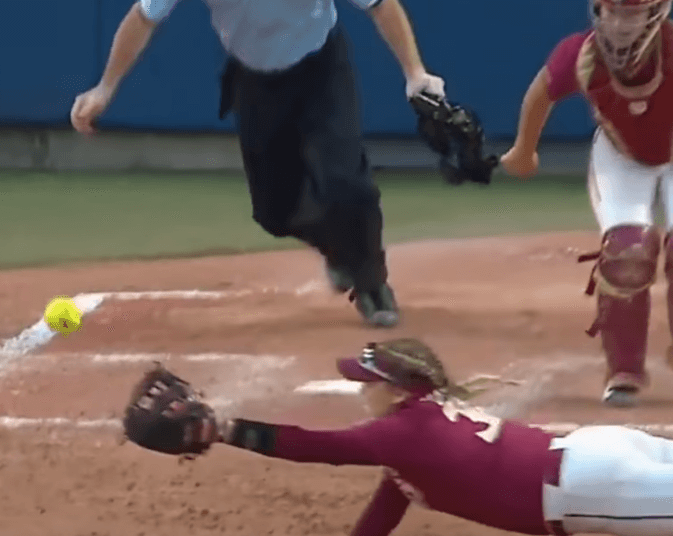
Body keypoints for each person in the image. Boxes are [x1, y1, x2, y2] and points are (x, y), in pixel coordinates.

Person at [70, 0, 451, 328]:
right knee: (273, 212)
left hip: (321, 70)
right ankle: (338, 249)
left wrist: (414, 73)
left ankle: (371, 283)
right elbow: (144, 17)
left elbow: (381, 6)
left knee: (346, 184)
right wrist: (105, 87)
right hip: (256, 83)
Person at [135, 338, 673, 536]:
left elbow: (318, 448)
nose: (361, 390)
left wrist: (228, 430)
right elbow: (396, 490)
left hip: (590, 487)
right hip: (595, 453)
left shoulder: (402, 432)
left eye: (367, 382)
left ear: (396, 389)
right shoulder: (418, 424)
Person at [499, 0, 673, 408]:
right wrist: (524, 151)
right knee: (628, 252)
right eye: (610, 11)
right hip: (622, 155)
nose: (618, 23)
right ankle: (624, 369)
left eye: (630, 13)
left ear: (655, 15)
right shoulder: (580, 54)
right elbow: (541, 94)